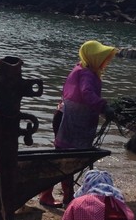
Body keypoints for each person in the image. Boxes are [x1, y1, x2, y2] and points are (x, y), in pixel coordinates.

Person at [39, 40, 117, 208]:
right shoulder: (86, 74)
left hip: (66, 117)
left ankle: (61, 196)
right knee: (65, 161)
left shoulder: (82, 69)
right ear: (94, 58)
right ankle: (59, 197)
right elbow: (87, 93)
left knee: (63, 160)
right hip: (69, 121)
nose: (106, 62)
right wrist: (104, 106)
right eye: (104, 58)